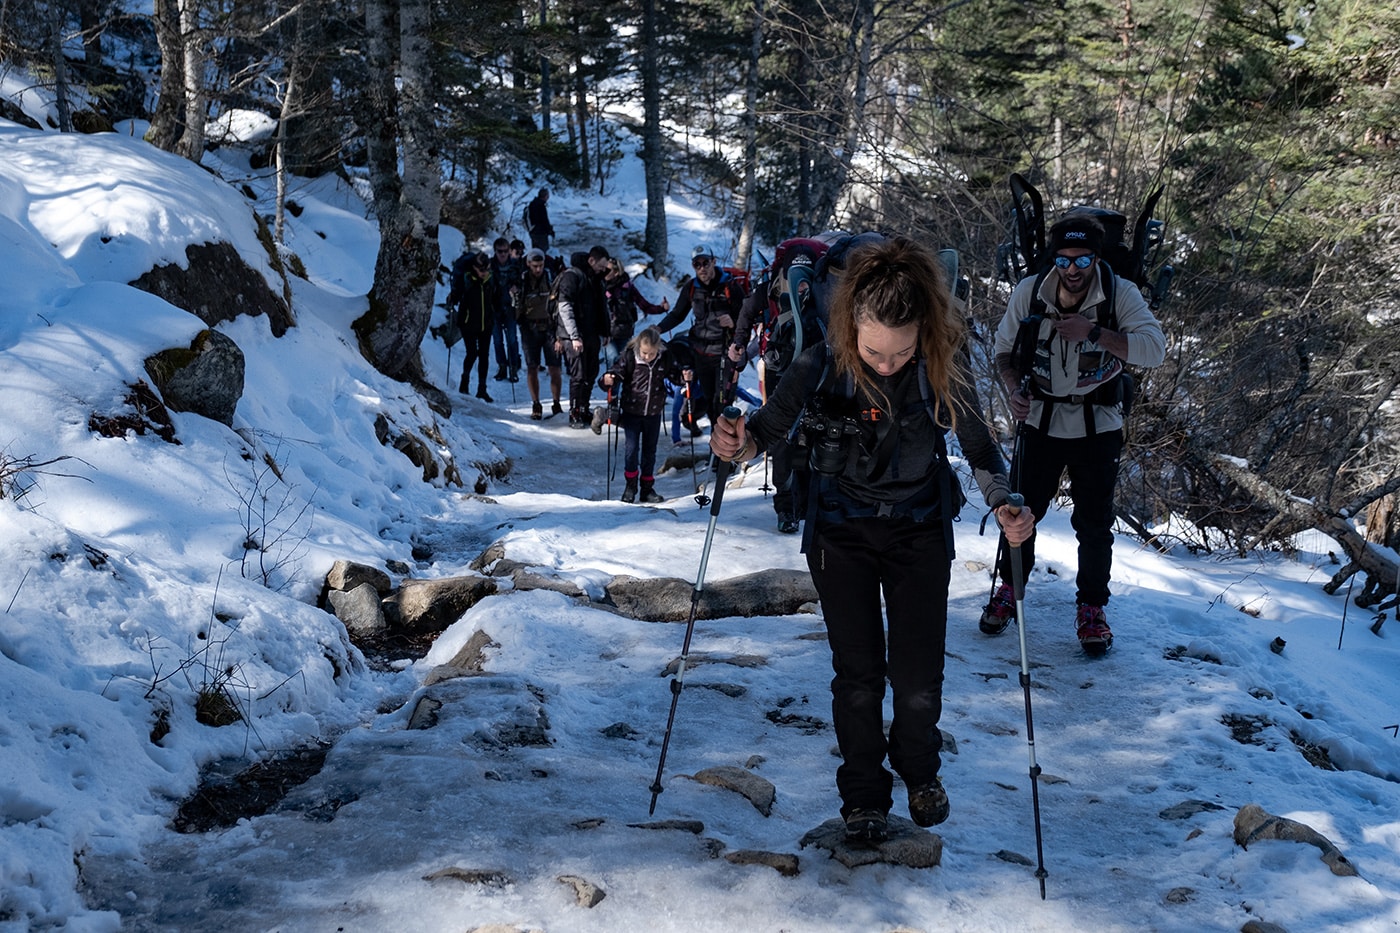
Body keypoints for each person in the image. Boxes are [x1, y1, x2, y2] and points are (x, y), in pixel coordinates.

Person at [710, 236, 1034, 845]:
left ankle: (920, 772)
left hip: (918, 529)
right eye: (874, 352)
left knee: (918, 676)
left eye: (901, 352)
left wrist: (1006, 502)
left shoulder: (942, 361)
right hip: (841, 529)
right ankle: (863, 795)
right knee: (856, 674)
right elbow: (766, 431)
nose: (886, 364)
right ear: (850, 324)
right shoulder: (822, 358)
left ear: (924, 333)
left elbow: (982, 450)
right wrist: (735, 443)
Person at [980, 212, 1166, 655]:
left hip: (1098, 422)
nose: (1073, 270)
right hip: (1040, 418)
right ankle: (1010, 589)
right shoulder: (1031, 292)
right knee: (1020, 511)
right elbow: (1004, 351)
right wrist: (1013, 391)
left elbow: (1154, 350)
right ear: (1053, 260)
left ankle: (1092, 609)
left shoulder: (1121, 294)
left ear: (1097, 259)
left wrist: (1095, 333)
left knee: (1095, 523)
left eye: (1082, 260)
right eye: (1064, 260)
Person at [728, 238, 828, 534]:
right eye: (794, 279)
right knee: (782, 436)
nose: (800, 287)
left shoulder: (824, 293)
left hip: (815, 371)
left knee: (815, 433)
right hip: (778, 369)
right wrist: (737, 344)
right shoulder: (770, 287)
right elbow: (747, 312)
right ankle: (786, 507)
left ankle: (808, 504)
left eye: (804, 280)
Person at [654, 245, 746, 434]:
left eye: (705, 263)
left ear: (713, 262)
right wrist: (658, 329)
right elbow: (678, 314)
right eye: (697, 264)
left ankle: (726, 456)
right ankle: (717, 451)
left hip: (724, 354)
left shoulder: (730, 286)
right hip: (701, 354)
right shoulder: (691, 288)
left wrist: (733, 321)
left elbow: (748, 316)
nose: (702, 268)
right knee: (710, 403)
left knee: (723, 403)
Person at [596, 327, 691, 503]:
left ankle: (647, 489)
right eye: (645, 353)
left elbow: (675, 375)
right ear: (639, 346)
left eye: (651, 353)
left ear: (658, 349)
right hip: (632, 411)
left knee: (650, 452)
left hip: (653, 412)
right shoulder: (630, 357)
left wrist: (685, 376)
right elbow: (616, 372)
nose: (647, 357)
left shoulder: (664, 358)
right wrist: (607, 379)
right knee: (631, 451)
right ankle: (630, 487)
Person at [553, 245, 611, 428]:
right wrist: (574, 336)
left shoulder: (594, 279)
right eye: (601, 266)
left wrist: (605, 331)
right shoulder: (572, 276)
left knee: (591, 373)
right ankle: (574, 412)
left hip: (592, 333)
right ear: (591, 260)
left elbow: (601, 307)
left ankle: (584, 408)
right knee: (578, 375)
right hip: (574, 336)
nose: (603, 270)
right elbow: (565, 307)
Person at [515, 248, 563, 419]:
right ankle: (536, 403)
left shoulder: (551, 279)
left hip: (550, 327)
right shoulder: (522, 280)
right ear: (528, 264)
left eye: (540, 265)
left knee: (555, 367)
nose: (538, 269)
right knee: (532, 366)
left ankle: (556, 403)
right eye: (535, 266)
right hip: (529, 328)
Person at [602, 258, 669, 368]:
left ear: (616, 272)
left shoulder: (627, 288)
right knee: (612, 359)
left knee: (622, 362)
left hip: (625, 331)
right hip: (607, 332)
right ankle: (611, 383)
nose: (604, 272)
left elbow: (645, 306)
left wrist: (661, 308)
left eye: (607, 270)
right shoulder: (600, 287)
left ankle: (620, 384)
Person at [446, 250, 496, 401]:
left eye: (487, 269)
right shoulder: (466, 280)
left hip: (486, 323)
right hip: (468, 323)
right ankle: (464, 382)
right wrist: (453, 298)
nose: (485, 273)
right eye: (482, 270)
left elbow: (497, 298)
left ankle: (482, 389)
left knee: (484, 356)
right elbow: (456, 295)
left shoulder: (491, 280)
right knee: (472, 353)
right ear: (474, 268)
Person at [488, 237, 523, 383]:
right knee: (497, 340)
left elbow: (522, 283)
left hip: (510, 307)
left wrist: (516, 288)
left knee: (512, 340)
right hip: (494, 307)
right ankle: (502, 366)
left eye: (505, 251)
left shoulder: (515, 265)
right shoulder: (490, 265)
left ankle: (513, 367)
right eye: (499, 251)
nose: (502, 254)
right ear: (495, 252)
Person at [524, 188, 555, 252]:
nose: (548, 197)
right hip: (540, 234)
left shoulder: (532, 204)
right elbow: (544, 220)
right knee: (543, 253)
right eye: (547, 195)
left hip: (533, 231)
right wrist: (550, 230)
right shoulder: (541, 206)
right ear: (545, 196)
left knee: (535, 252)